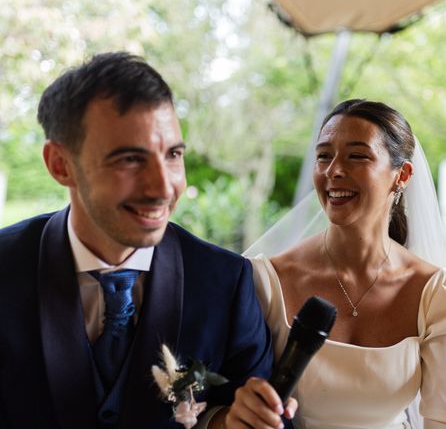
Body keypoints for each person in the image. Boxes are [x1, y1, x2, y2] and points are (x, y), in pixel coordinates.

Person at [0, 52, 278, 429]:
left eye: (173, 155)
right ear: (60, 165)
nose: (164, 188)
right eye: (130, 159)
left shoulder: (225, 283)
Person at [226, 99, 446, 429]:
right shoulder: (266, 281)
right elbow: (222, 408)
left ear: (401, 175)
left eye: (357, 155)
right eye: (323, 156)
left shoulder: (437, 295)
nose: (333, 170)